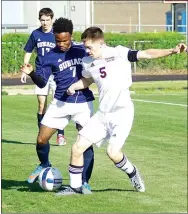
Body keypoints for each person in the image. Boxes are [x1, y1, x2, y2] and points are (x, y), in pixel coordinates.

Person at [56, 26, 187, 195]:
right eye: (85, 47)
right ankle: (75, 187)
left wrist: (173, 51)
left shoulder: (119, 53)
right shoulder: (88, 62)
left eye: (90, 47)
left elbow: (146, 54)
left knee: (113, 153)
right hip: (102, 114)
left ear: (101, 43)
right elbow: (87, 80)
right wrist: (74, 86)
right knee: (77, 147)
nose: (87, 51)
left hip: (122, 113)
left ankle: (132, 172)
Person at [20, 18, 95, 194]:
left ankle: (84, 182)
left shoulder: (82, 50)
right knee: (41, 139)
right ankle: (44, 164)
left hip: (83, 102)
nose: (61, 44)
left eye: (65, 40)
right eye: (58, 40)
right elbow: (42, 83)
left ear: (72, 36)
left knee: (85, 143)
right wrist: (31, 73)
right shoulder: (47, 56)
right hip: (60, 103)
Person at [21, 8, 66, 145]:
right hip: (41, 73)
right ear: (39, 20)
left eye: (47, 20)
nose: (45, 23)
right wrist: (24, 70)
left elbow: (66, 50)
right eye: (42, 20)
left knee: (58, 103)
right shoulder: (35, 34)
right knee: (41, 106)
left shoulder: (58, 33)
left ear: (52, 19)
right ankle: (42, 135)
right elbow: (28, 51)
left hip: (57, 73)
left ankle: (61, 135)